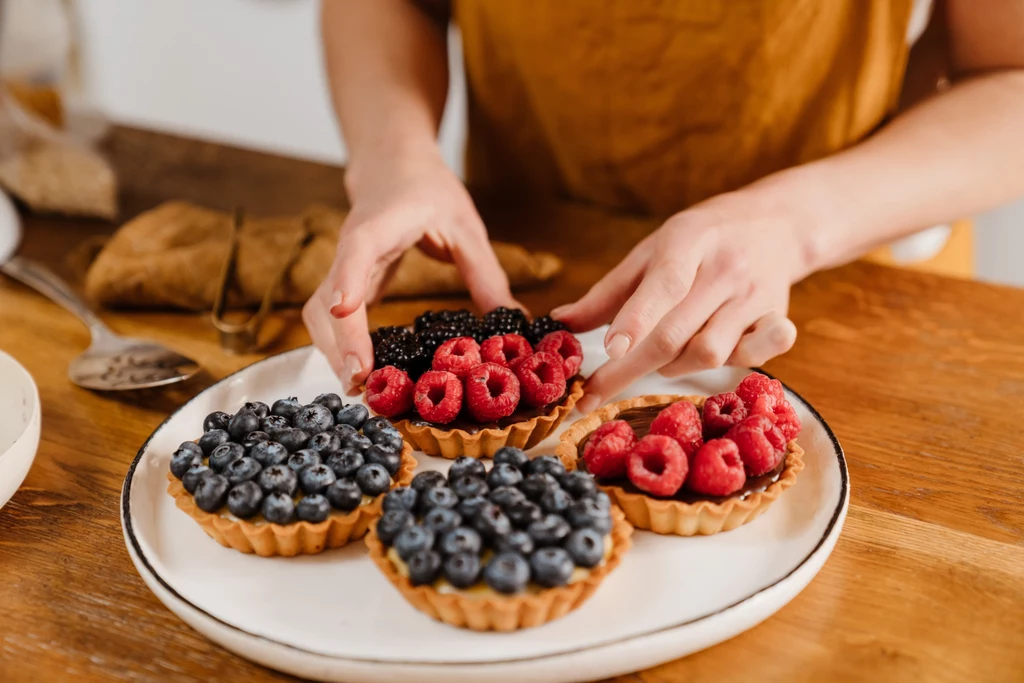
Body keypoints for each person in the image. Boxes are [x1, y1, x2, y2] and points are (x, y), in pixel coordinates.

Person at [304, 0, 1024, 413]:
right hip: (523, 263)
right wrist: (394, 154)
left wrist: (794, 223)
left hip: (836, 295)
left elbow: (1010, 73)